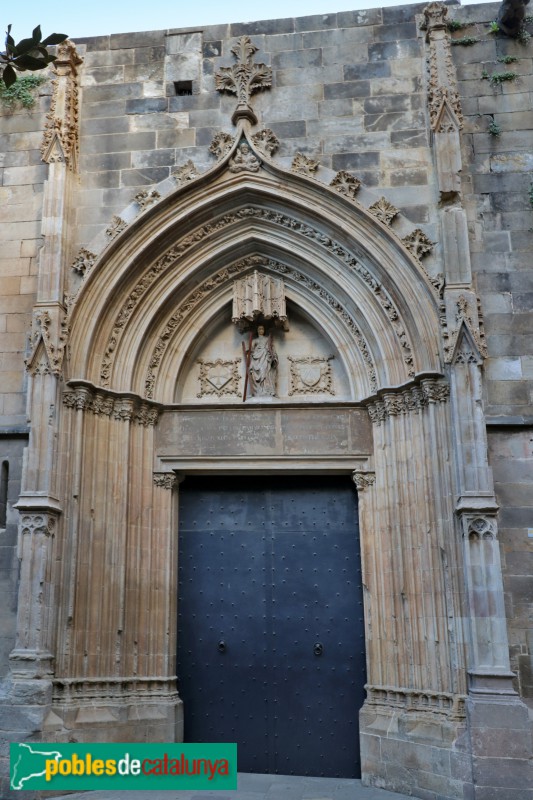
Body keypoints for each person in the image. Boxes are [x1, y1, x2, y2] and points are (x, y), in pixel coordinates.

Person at [248, 326, 278, 397]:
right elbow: (251, 350)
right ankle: (257, 390)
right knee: (254, 374)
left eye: (262, 329)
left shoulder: (267, 339)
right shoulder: (255, 340)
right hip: (257, 358)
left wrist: (273, 356)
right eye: (259, 329)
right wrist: (249, 352)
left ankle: (267, 390)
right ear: (257, 331)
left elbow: (272, 349)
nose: (261, 330)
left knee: (265, 373)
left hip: (265, 358)